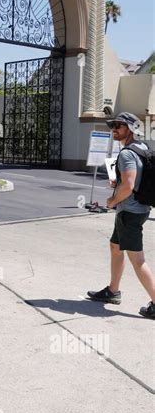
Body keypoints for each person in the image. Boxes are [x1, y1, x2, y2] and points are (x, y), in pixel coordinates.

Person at [87, 112, 155, 318]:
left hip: (130, 212)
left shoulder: (126, 154)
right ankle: (113, 291)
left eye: (119, 125)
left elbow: (129, 186)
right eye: (113, 125)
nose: (114, 128)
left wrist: (112, 201)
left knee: (138, 260)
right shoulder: (142, 148)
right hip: (139, 208)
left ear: (131, 129)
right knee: (115, 247)